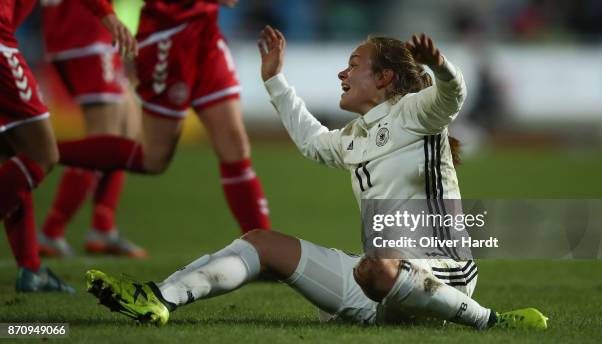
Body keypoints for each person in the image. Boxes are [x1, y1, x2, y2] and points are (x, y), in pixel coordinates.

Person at [84, 26, 548, 329]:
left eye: (354, 64)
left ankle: (491, 321)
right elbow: (311, 140)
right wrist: (276, 82)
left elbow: (454, 95)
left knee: (376, 265)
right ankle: (158, 298)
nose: (342, 72)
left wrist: (441, 66)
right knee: (262, 243)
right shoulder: (354, 138)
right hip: (377, 285)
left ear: (385, 78)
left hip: (445, 275)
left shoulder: (416, 113)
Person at [57, 0, 271, 234]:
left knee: (235, 144)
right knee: (153, 159)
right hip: (167, 37)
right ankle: (46, 152)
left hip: (206, 33)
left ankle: (263, 247)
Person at [0, 0, 136, 291]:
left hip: (29, 34)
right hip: (34, 39)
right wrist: (108, 16)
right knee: (43, 152)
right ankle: (57, 230)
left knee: (14, 154)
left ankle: (31, 268)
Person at [38, 0, 145, 259]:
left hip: (79, 31)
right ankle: (52, 230)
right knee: (104, 138)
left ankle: (103, 226)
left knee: (128, 128)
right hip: (86, 34)